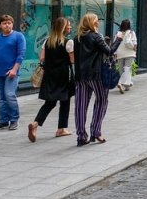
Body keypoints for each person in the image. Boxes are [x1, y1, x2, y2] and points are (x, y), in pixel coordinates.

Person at [72, 13, 120, 147]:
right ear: (91, 23)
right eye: (96, 21)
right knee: (102, 100)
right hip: (96, 75)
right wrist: (119, 39)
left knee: (80, 105)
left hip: (81, 76)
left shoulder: (77, 38)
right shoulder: (95, 36)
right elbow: (109, 51)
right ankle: (95, 131)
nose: (98, 22)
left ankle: (81, 136)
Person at [28, 17, 75, 141]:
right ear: (63, 28)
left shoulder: (47, 41)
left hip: (49, 75)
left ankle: (36, 123)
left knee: (50, 102)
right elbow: (72, 60)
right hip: (63, 75)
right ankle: (61, 129)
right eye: (68, 25)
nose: (70, 27)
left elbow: (42, 58)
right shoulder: (68, 42)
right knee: (65, 101)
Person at [115, 19, 137, 92]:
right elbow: (134, 43)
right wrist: (134, 48)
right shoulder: (131, 32)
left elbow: (115, 43)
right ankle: (121, 83)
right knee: (127, 69)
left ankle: (127, 85)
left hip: (120, 53)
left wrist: (114, 53)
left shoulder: (118, 33)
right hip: (129, 53)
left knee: (121, 70)